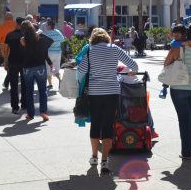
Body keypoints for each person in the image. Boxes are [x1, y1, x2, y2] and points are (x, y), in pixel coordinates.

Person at [78, 28, 138, 174]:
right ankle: (105, 161)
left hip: (94, 92)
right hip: (112, 92)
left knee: (95, 124)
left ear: (93, 39)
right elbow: (134, 65)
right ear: (106, 38)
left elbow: (81, 71)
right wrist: (130, 72)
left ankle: (94, 157)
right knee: (108, 125)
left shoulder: (90, 51)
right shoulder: (114, 49)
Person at [164, 22, 191, 159]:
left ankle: (185, 151)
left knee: (183, 118)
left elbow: (166, 64)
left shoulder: (177, 49)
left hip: (179, 87)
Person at [20, 20, 53, 121]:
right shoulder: (39, 37)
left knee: (29, 91)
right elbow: (50, 41)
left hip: (27, 68)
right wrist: (38, 32)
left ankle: (30, 114)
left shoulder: (22, 40)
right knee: (42, 90)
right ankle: (43, 112)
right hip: (40, 67)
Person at [5, 17, 26, 114]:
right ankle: (24, 104)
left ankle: (14, 106)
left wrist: (5, 62)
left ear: (16, 24)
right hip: (24, 62)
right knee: (24, 84)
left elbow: (6, 50)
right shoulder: (26, 35)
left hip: (12, 61)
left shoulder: (9, 35)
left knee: (13, 85)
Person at [0, 12, 16, 90]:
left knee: (8, 65)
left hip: (5, 49)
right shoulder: (16, 25)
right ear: (12, 18)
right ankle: (7, 81)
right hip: (15, 48)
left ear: (5, 18)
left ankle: (7, 82)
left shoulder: (2, 26)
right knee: (13, 65)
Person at [42, 19, 66, 90]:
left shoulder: (46, 33)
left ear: (49, 26)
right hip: (58, 53)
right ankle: (60, 80)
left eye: (47, 25)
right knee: (55, 68)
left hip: (49, 53)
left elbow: (43, 43)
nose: (46, 26)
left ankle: (50, 84)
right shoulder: (58, 32)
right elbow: (62, 40)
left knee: (49, 68)